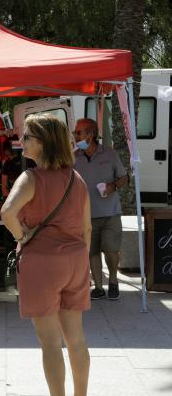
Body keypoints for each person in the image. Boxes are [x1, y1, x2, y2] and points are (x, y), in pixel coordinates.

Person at [0, 114, 92, 396]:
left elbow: (7, 212)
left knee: (51, 343)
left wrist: (22, 236)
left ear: (42, 142)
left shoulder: (32, 178)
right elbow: (87, 228)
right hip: (76, 260)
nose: (21, 141)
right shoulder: (75, 179)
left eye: (27, 137)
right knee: (76, 338)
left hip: (42, 262)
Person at [73, 118, 128, 301]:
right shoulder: (74, 157)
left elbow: (123, 178)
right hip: (86, 215)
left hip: (110, 212)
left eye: (78, 133)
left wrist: (112, 186)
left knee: (112, 250)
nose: (75, 136)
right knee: (92, 252)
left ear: (90, 134)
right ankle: (98, 287)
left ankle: (113, 280)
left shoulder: (110, 154)